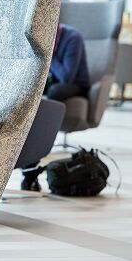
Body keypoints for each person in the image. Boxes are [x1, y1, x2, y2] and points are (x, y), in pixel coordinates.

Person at [20, 23, 90, 191]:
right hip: (52, 81)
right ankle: (28, 147)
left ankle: (45, 131)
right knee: (27, 89)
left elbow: (67, 76)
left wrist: (48, 53)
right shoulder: (42, 37)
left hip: (74, 84)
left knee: (55, 91)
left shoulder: (73, 38)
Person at [44, 23, 90, 101]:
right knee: (29, 86)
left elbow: (66, 78)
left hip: (77, 85)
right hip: (54, 80)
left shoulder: (73, 37)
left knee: (55, 91)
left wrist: (48, 55)